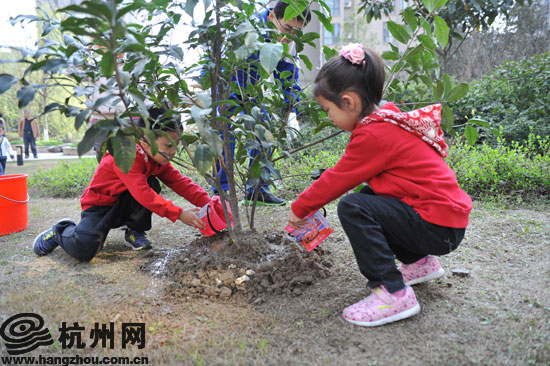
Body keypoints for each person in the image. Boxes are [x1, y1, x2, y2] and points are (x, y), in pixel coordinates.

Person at [287, 43, 472, 327]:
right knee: (370, 196)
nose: (328, 118)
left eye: (327, 110)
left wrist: (300, 209)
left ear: (349, 102)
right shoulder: (387, 119)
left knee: (354, 206)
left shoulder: (374, 134)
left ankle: (392, 294)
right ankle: (419, 263)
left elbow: (337, 179)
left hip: (438, 226)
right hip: (444, 223)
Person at [32, 107, 210, 261]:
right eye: (168, 145)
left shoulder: (157, 159)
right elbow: (143, 194)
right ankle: (60, 230)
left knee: (151, 183)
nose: (173, 151)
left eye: (176, 145)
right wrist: (179, 214)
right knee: (84, 248)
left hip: (125, 202)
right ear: (144, 139)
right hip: (100, 207)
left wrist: (209, 203)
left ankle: (135, 231)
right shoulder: (126, 155)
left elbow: (180, 182)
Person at [214, 1, 312, 206]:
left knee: (265, 133)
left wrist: (291, 109)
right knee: (224, 135)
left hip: (253, 91)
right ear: (271, 16)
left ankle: (257, 189)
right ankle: (221, 191)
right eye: (287, 29)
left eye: (296, 32)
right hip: (228, 86)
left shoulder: (288, 40)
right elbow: (223, 63)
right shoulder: (247, 28)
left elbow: (288, 74)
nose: (289, 36)